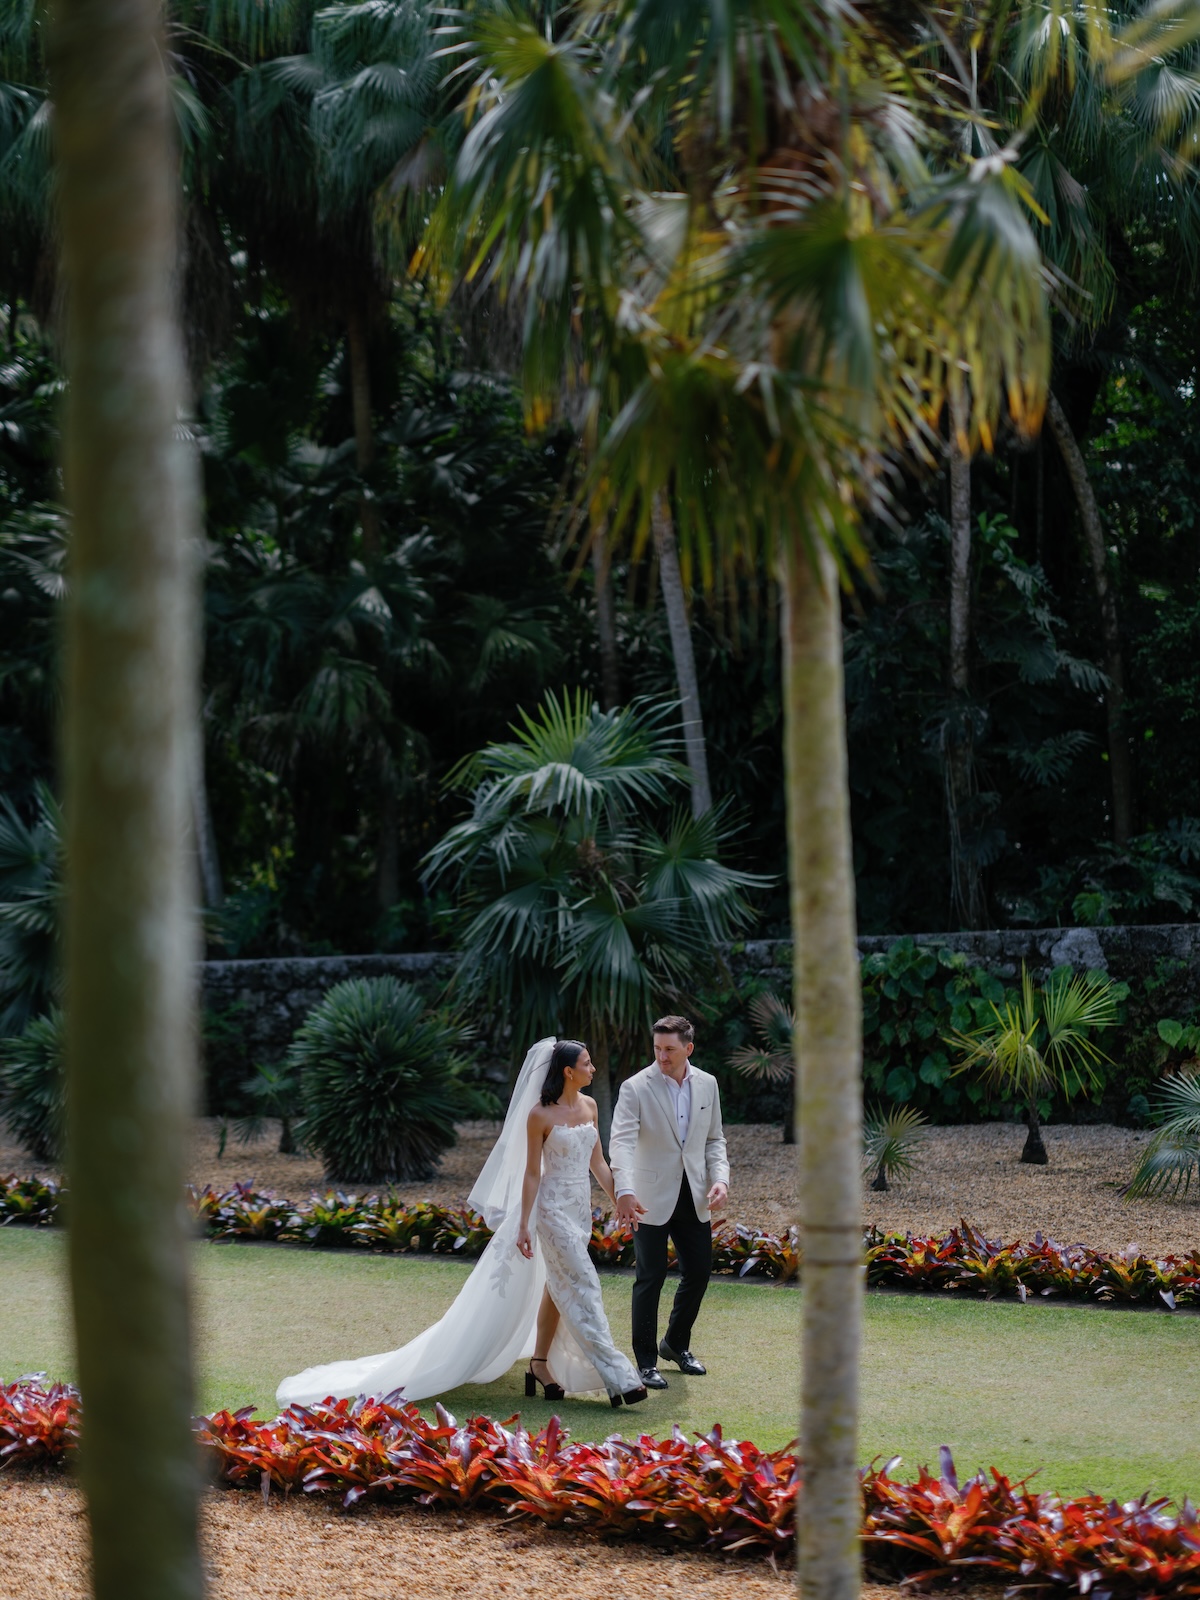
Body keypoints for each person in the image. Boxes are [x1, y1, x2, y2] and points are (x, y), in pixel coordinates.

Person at [275, 1037, 647, 1411]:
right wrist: (522, 1225)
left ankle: (539, 1363)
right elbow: (532, 1174)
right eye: (587, 1063)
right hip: (550, 1212)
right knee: (583, 1283)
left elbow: (598, 1162)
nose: (593, 1069)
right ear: (568, 1072)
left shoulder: (591, 1106)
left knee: (560, 1284)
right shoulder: (540, 1115)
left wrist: (621, 1199)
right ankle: (618, 1377)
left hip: (578, 1211)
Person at [609, 1015, 729, 1389]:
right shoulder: (634, 1087)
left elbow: (714, 1140)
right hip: (647, 1198)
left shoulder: (708, 1084)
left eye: (670, 1049)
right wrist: (624, 1190)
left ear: (688, 1048)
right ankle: (645, 1362)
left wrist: (721, 1179)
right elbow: (622, 1143)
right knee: (651, 1276)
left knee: (699, 1272)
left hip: (694, 1195)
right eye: (657, 1048)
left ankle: (675, 1344)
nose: (662, 1055)